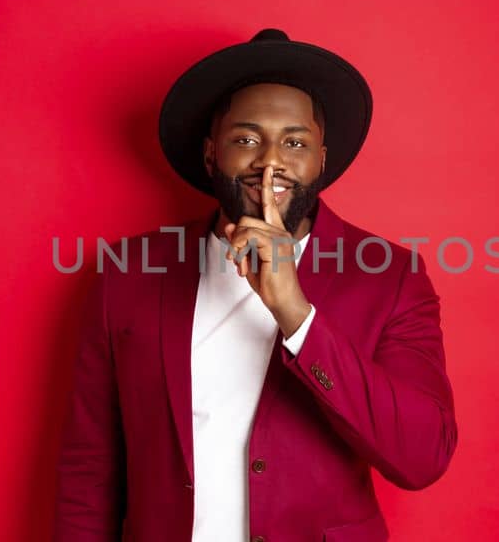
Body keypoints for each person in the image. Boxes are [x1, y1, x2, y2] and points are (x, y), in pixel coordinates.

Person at [55, 28, 457, 542]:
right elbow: (90, 468)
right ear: (210, 155)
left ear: (321, 160)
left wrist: (296, 313)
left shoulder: (390, 276)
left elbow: (422, 458)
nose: (271, 160)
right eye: (246, 139)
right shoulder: (128, 273)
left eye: (295, 142)